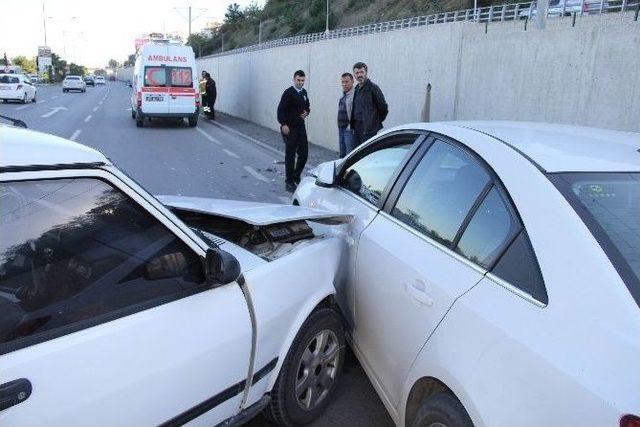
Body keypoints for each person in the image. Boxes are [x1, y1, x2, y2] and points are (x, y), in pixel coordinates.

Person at [277, 70, 310, 193]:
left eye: (302, 80)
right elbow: (280, 110)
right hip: (290, 128)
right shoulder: (288, 93)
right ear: (294, 79)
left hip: (301, 127)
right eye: (298, 80)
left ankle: (296, 176)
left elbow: (307, 106)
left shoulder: (304, 92)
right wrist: (283, 124)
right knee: (290, 156)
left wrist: (307, 112)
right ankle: (289, 182)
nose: (301, 82)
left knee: (304, 154)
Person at [350, 62, 388, 147]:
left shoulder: (373, 88)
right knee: (356, 153)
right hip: (356, 128)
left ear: (366, 72)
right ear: (354, 75)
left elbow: (383, 107)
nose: (359, 75)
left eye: (361, 72)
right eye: (357, 73)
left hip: (368, 130)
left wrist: (373, 122)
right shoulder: (356, 89)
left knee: (366, 154)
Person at [337, 72, 356, 158]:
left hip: (349, 129)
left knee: (349, 154)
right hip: (341, 128)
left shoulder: (355, 95)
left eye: (346, 82)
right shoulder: (343, 96)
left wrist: (351, 126)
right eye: (342, 82)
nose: (344, 84)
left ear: (352, 81)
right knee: (342, 153)